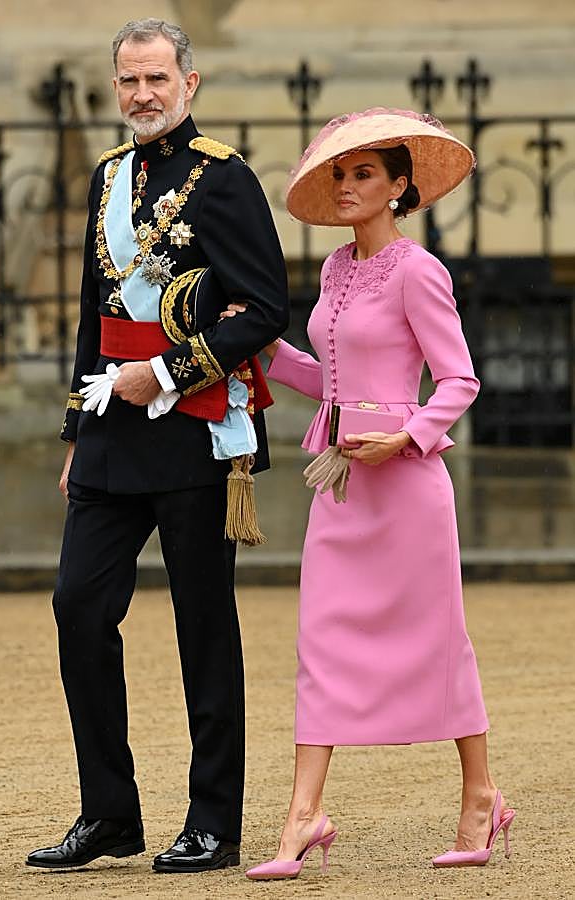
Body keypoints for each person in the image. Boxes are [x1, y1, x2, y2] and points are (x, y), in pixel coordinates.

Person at [26, 18, 288, 874]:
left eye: (158, 80)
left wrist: (169, 373)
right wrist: (76, 430)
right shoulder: (106, 176)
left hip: (195, 432)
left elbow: (262, 308)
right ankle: (110, 814)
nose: (144, 95)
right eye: (130, 81)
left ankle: (212, 822)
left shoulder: (225, 178)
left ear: (190, 83)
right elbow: (91, 320)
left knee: (202, 627)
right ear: (116, 88)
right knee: (77, 607)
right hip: (109, 437)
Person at [234, 109, 515, 880]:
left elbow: (459, 377)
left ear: (399, 188)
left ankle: (481, 797)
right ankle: (302, 818)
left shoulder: (420, 269)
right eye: (342, 174)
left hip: (409, 486)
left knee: (439, 639)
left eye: (366, 175)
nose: (349, 186)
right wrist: (260, 345)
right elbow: (320, 380)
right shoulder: (331, 271)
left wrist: (412, 436)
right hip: (342, 483)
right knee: (320, 642)